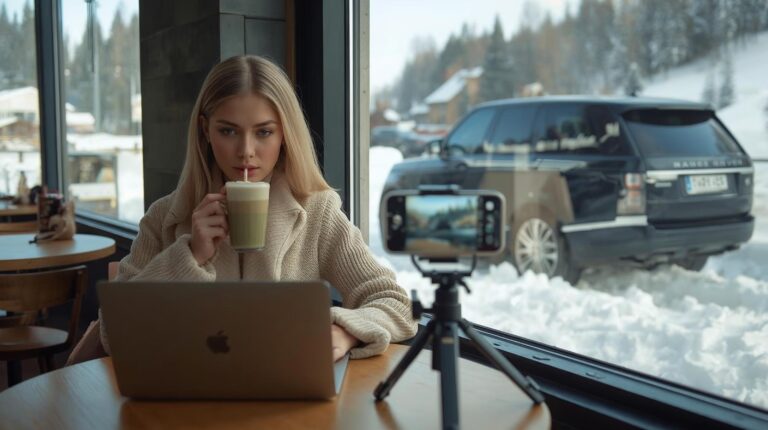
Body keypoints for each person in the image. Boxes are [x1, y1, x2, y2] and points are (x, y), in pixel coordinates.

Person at [98, 55, 417, 361]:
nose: (246, 152)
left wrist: (346, 332)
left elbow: (395, 303)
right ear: (205, 130)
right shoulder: (164, 217)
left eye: (264, 132)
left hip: (290, 399)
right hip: (188, 401)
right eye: (228, 131)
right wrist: (190, 255)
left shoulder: (318, 211)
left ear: (284, 135)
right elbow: (113, 333)